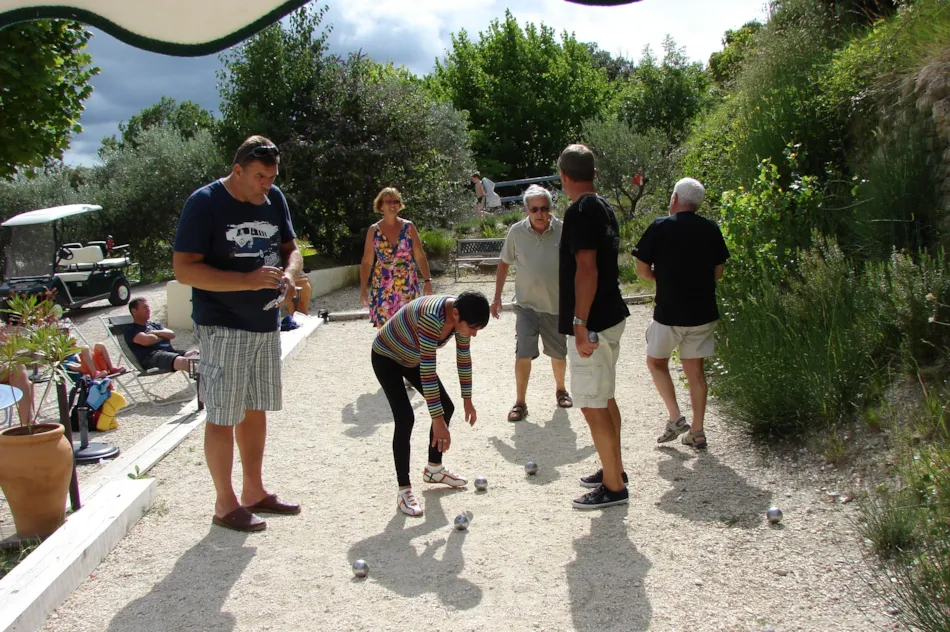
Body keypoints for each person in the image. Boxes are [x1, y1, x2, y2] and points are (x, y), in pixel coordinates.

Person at [173, 135, 302, 533]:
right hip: (222, 325)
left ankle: (253, 491)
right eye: (260, 177)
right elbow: (184, 269)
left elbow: (292, 249)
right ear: (238, 170)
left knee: (254, 407)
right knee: (223, 414)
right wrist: (246, 281)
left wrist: (290, 276)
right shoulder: (205, 203)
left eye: (272, 177)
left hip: (264, 323)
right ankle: (224, 503)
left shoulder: (274, 198)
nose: (267, 185)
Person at [557, 144, 630, 510]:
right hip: (611, 314)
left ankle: (613, 487)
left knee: (590, 404)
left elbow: (587, 269)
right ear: (594, 174)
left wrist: (579, 323)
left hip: (594, 321)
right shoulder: (603, 206)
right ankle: (613, 469)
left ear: (563, 176)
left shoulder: (580, 210)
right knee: (605, 397)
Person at [371, 292, 489, 517]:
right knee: (405, 418)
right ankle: (404, 491)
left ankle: (434, 469)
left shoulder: (461, 315)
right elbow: (427, 370)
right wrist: (437, 420)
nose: (473, 334)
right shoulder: (431, 318)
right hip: (387, 357)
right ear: (456, 314)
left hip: (411, 357)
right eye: (472, 328)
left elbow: (463, 357)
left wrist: (467, 399)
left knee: (447, 406)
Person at [633, 178, 729, 450]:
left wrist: (662, 278)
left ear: (674, 198)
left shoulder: (660, 226)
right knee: (696, 373)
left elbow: (641, 270)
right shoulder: (711, 228)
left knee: (656, 362)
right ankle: (697, 432)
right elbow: (718, 272)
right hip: (703, 313)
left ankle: (676, 417)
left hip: (669, 313)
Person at [491, 184, 571, 421]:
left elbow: (577, 265)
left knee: (558, 353)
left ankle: (561, 390)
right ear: (526, 209)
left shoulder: (564, 230)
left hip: (555, 305)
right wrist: (496, 297)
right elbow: (504, 262)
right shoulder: (517, 232)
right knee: (522, 354)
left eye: (544, 208)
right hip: (526, 306)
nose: (539, 213)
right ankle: (520, 403)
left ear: (550, 209)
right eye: (534, 209)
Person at [360, 187, 433, 328]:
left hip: (406, 284)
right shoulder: (374, 230)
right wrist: (363, 288)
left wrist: (427, 280)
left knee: (408, 326)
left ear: (400, 205)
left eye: (396, 201)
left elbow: (419, 255)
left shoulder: (409, 227)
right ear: (381, 206)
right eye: (388, 202)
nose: (392, 205)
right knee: (386, 328)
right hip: (383, 286)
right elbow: (367, 261)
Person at [125, 297, 198, 372]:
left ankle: (201, 376)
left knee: (197, 354)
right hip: (152, 357)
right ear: (134, 311)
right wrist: (163, 336)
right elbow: (147, 340)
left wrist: (154, 332)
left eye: (148, 307)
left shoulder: (153, 325)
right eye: (145, 307)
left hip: (170, 352)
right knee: (184, 362)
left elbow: (172, 334)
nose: (148, 309)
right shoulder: (131, 329)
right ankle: (202, 378)